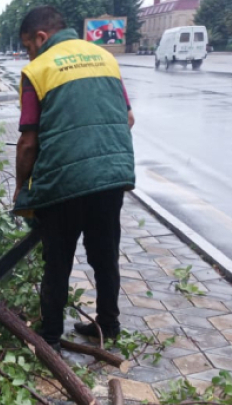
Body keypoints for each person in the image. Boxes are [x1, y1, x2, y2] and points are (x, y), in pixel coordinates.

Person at [13, 6, 136, 350]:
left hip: (65, 182)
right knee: (104, 254)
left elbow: (28, 142)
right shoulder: (104, 58)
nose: (28, 53)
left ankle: (49, 336)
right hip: (110, 179)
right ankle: (108, 325)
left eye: (27, 46)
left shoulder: (38, 69)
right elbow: (128, 119)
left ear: (41, 37)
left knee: (58, 258)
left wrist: (21, 187)